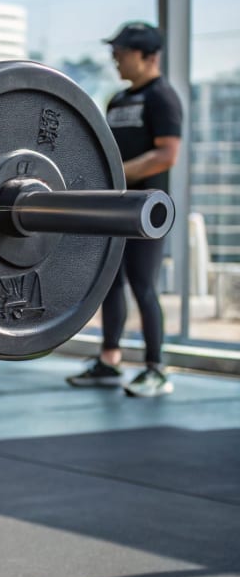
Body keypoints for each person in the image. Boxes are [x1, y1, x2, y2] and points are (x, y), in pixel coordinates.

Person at [67, 22, 182, 397]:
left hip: (148, 210)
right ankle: (109, 360)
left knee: (143, 284)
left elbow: (166, 155)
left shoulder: (162, 97)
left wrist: (116, 174)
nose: (115, 59)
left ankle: (155, 369)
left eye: (121, 52)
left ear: (147, 56)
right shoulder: (117, 100)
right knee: (111, 282)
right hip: (116, 205)